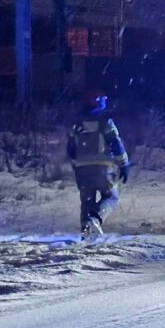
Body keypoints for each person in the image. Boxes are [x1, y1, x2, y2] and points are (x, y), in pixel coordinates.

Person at [66, 90, 130, 239]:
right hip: (103, 167)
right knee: (111, 196)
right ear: (97, 101)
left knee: (86, 201)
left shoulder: (76, 123)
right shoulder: (105, 121)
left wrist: (75, 165)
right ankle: (95, 219)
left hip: (82, 169)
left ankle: (86, 234)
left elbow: (70, 148)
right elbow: (115, 143)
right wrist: (124, 164)